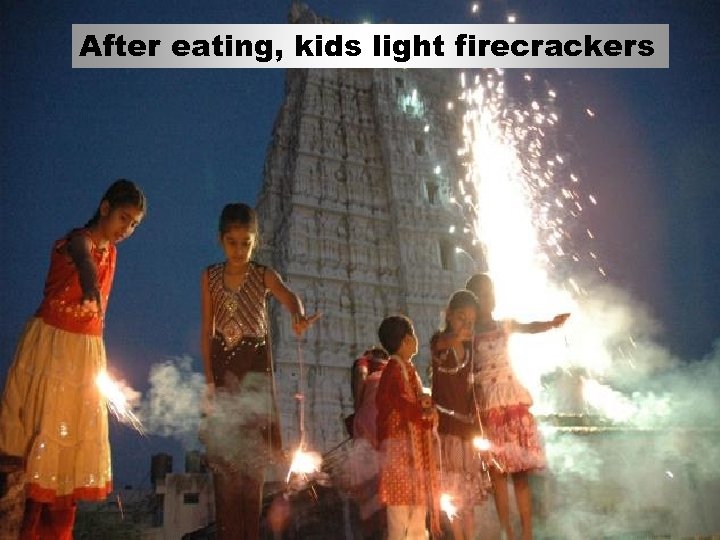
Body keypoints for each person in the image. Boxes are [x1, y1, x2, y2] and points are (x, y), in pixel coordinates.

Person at [0, 179, 146, 539]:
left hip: (85, 355)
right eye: (123, 218)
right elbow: (82, 257)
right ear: (105, 208)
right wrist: (91, 288)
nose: (127, 229)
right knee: (39, 440)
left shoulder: (112, 253)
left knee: (67, 451)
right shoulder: (76, 241)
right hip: (52, 353)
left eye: (134, 225)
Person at [199, 202, 319, 540]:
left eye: (246, 242)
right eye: (232, 242)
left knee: (252, 467)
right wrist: (209, 382)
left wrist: (298, 315)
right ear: (221, 240)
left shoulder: (263, 274)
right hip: (223, 377)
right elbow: (207, 331)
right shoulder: (208, 277)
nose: (239, 250)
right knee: (225, 467)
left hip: (254, 379)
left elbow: (289, 296)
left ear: (256, 241)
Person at [465, 273, 569, 540]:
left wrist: (552, 324)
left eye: (489, 294)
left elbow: (529, 327)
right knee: (498, 474)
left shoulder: (504, 326)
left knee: (520, 473)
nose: (486, 300)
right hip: (487, 406)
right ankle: (506, 533)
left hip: (512, 403)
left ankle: (527, 534)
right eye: (480, 296)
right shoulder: (467, 336)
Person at [431, 290, 490, 540]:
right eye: (461, 318)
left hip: (467, 430)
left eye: (471, 321)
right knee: (454, 495)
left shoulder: (472, 350)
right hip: (447, 430)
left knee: (467, 498)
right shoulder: (440, 341)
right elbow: (444, 343)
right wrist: (457, 336)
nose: (466, 325)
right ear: (449, 316)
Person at [375, 315, 440, 540]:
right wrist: (422, 412)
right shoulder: (394, 370)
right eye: (413, 335)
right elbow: (401, 403)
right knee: (401, 510)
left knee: (415, 507)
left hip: (411, 452)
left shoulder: (406, 369)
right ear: (405, 340)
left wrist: (424, 403)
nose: (416, 340)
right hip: (400, 452)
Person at [349, 347, 389, 539]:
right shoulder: (396, 368)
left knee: (368, 480)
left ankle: (372, 529)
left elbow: (360, 376)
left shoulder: (364, 362)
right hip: (391, 426)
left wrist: (358, 408)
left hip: (369, 420)